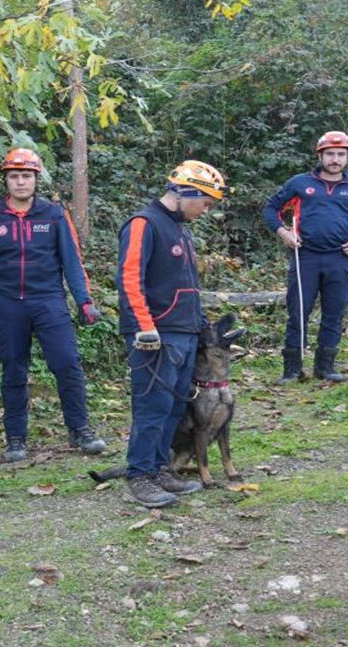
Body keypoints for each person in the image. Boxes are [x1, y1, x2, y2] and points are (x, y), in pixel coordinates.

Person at [0, 146, 107, 462]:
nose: (21, 182)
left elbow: (72, 262)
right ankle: (15, 439)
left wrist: (85, 302)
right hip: (8, 305)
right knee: (13, 371)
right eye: (14, 176)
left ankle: (80, 430)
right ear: (6, 180)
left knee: (67, 364)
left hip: (49, 301)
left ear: (36, 179)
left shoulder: (54, 214)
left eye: (26, 176)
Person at [115, 160, 227, 508]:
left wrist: (201, 325)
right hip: (156, 335)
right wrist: (144, 326)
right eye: (204, 203)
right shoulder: (143, 224)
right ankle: (139, 476)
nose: (205, 211)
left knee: (176, 405)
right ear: (185, 192)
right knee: (153, 404)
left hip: (185, 333)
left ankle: (160, 468)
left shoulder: (181, 230)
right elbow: (129, 278)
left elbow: (186, 285)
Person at [263, 131, 348, 384]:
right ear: (320, 155)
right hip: (305, 257)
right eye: (330, 153)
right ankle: (292, 370)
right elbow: (271, 209)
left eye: (341, 154)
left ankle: (325, 368)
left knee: (334, 312)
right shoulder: (299, 183)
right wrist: (284, 233)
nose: (335, 159)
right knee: (298, 312)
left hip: (341, 258)